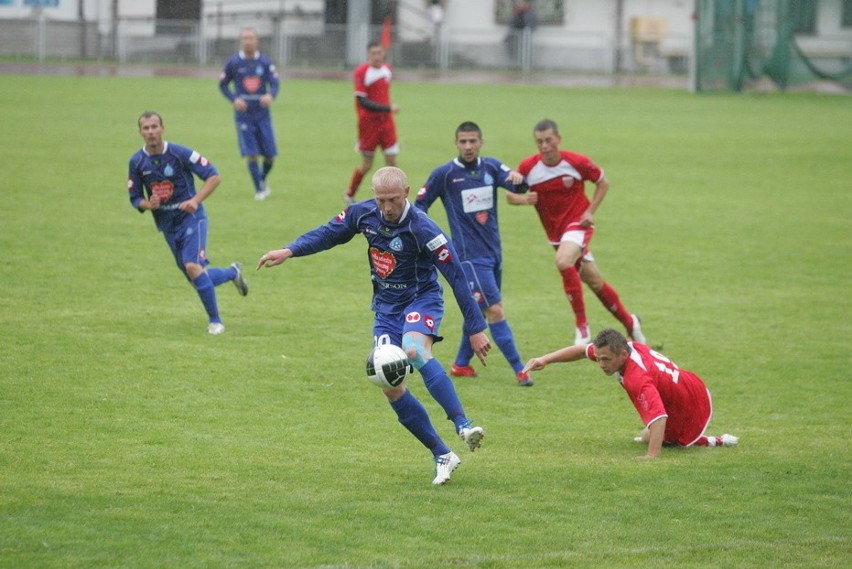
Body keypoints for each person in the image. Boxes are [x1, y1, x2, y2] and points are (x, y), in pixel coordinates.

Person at [258, 166, 491, 485]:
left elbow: (457, 278)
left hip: (421, 299)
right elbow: (329, 233)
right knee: (389, 383)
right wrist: (290, 249)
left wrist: (476, 327)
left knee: (413, 350)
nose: (386, 208)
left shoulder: (424, 229)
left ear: (407, 193)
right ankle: (442, 454)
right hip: (386, 310)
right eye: (380, 200)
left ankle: (463, 424)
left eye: (393, 200)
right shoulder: (364, 215)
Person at [415, 121, 532, 387]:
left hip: (494, 253)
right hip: (468, 257)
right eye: (463, 141)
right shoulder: (444, 174)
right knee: (495, 310)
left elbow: (517, 186)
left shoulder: (491, 166)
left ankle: (460, 364)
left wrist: (519, 180)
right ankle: (521, 370)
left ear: (481, 142)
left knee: (478, 308)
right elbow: (419, 206)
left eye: (472, 141)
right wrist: (428, 238)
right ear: (456, 143)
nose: (468, 146)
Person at [512, 118, 646, 346]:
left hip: (578, 225)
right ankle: (630, 322)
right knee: (595, 282)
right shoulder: (528, 168)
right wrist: (523, 199)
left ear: (558, 139)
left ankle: (582, 326)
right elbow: (509, 196)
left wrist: (590, 211)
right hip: (556, 235)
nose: (545, 146)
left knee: (563, 261)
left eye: (549, 140)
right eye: (539, 142)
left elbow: (603, 182)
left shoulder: (576, 162)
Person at [522, 328, 739, 459]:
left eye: (605, 360)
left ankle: (714, 440)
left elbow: (660, 417)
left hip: (689, 408)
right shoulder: (623, 349)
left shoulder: (637, 378)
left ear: (623, 355)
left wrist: (651, 457)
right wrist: (545, 359)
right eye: (598, 358)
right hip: (692, 386)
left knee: (657, 438)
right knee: (648, 434)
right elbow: (581, 350)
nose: (600, 364)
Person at [127, 111, 248, 335]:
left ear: (163, 128)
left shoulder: (180, 153)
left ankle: (216, 322)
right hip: (167, 224)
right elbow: (134, 197)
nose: (151, 132)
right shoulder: (137, 162)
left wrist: (195, 200)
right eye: (146, 128)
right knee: (196, 279)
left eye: (155, 127)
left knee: (193, 266)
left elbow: (213, 175)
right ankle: (232, 273)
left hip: (192, 218)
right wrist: (148, 204)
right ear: (140, 132)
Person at [219, 27, 280, 201]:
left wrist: (270, 95)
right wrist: (234, 99)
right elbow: (223, 85)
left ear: (257, 40)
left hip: (262, 114)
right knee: (252, 153)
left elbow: (275, 83)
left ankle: (261, 178)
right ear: (240, 41)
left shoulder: (265, 62)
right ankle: (259, 189)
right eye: (244, 38)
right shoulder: (233, 62)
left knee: (269, 156)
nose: (248, 41)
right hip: (244, 115)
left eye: (251, 38)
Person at [343, 41, 400, 206]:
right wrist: (388, 107)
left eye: (379, 52)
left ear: (384, 53)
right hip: (369, 124)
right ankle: (350, 193)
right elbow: (362, 101)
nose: (377, 56)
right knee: (367, 164)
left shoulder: (387, 70)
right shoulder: (362, 72)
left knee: (392, 162)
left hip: (387, 123)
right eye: (373, 53)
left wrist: (387, 110)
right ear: (368, 54)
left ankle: (395, 198)